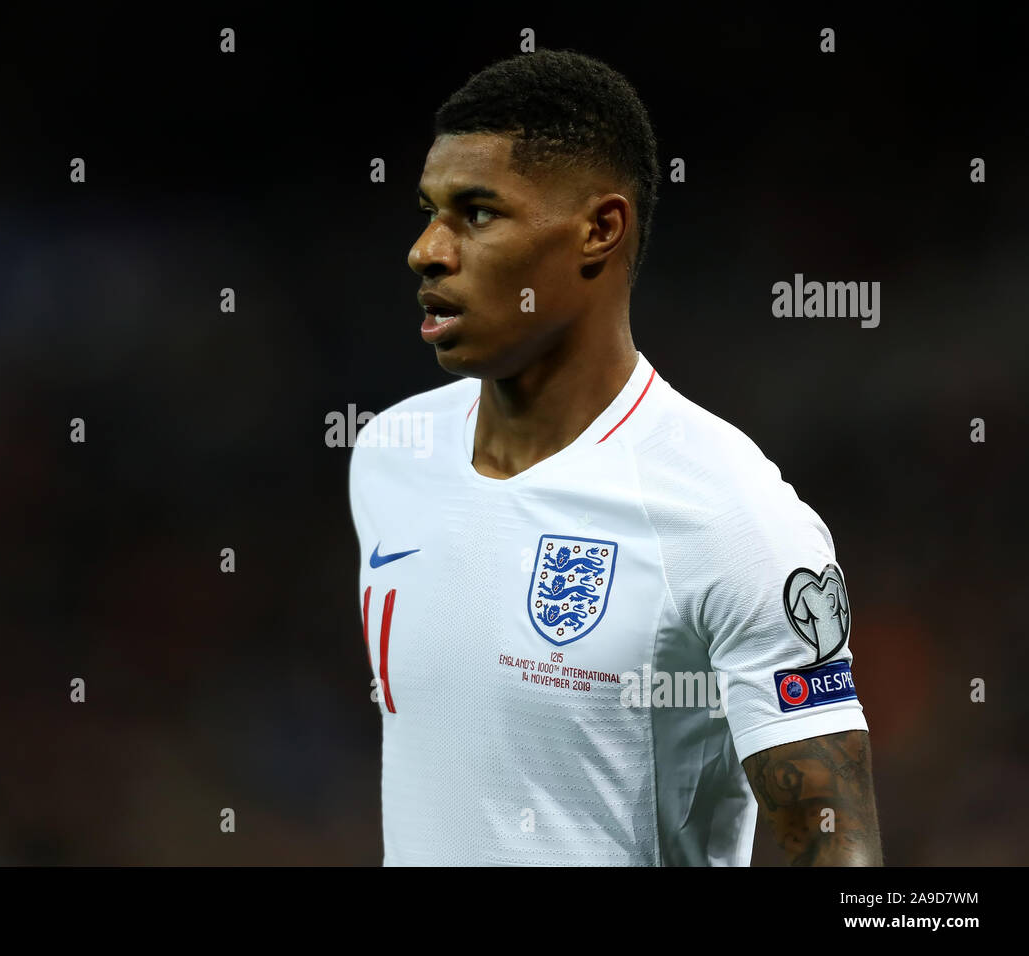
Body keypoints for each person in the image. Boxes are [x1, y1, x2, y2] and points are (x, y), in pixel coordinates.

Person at [347, 48, 882, 865]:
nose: (427, 250)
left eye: (478, 213)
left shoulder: (728, 515)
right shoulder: (390, 452)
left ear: (600, 229)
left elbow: (839, 853)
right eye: (428, 211)